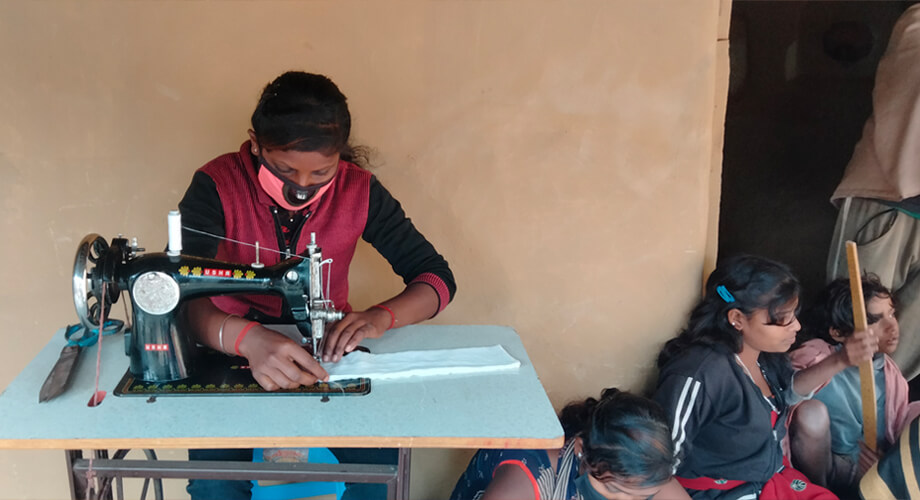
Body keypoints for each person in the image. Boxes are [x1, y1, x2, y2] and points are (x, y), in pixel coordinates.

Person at [177, 71, 457, 500]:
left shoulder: (358, 191)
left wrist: (380, 317)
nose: (301, 187)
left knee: (382, 470)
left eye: (321, 172)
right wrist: (248, 340)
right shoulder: (217, 185)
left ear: (340, 158)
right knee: (216, 483)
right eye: (284, 168)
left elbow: (436, 279)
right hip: (228, 342)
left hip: (327, 347)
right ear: (255, 143)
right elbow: (180, 292)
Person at [653, 255, 877, 500]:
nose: (797, 327)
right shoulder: (700, 375)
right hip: (719, 491)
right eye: (782, 320)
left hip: (766, 480)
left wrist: (842, 359)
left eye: (793, 315)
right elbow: (656, 468)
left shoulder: (764, 357)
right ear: (737, 319)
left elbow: (787, 394)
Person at [826, 3, 920, 382]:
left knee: (905, 345)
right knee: (856, 325)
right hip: (886, 198)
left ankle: (884, 424)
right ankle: (839, 426)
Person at [788, 274, 920, 497]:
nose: (892, 326)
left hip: (871, 469)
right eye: (874, 320)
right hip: (826, 469)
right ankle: (821, 494)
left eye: (891, 314)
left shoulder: (889, 372)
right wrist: (841, 361)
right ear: (838, 333)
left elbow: (897, 423)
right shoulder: (817, 354)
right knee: (811, 413)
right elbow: (787, 393)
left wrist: (887, 466)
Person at [449, 388, 690, 500]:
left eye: (641, 498)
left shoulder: (642, 476)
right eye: (613, 491)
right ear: (580, 449)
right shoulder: (527, 479)